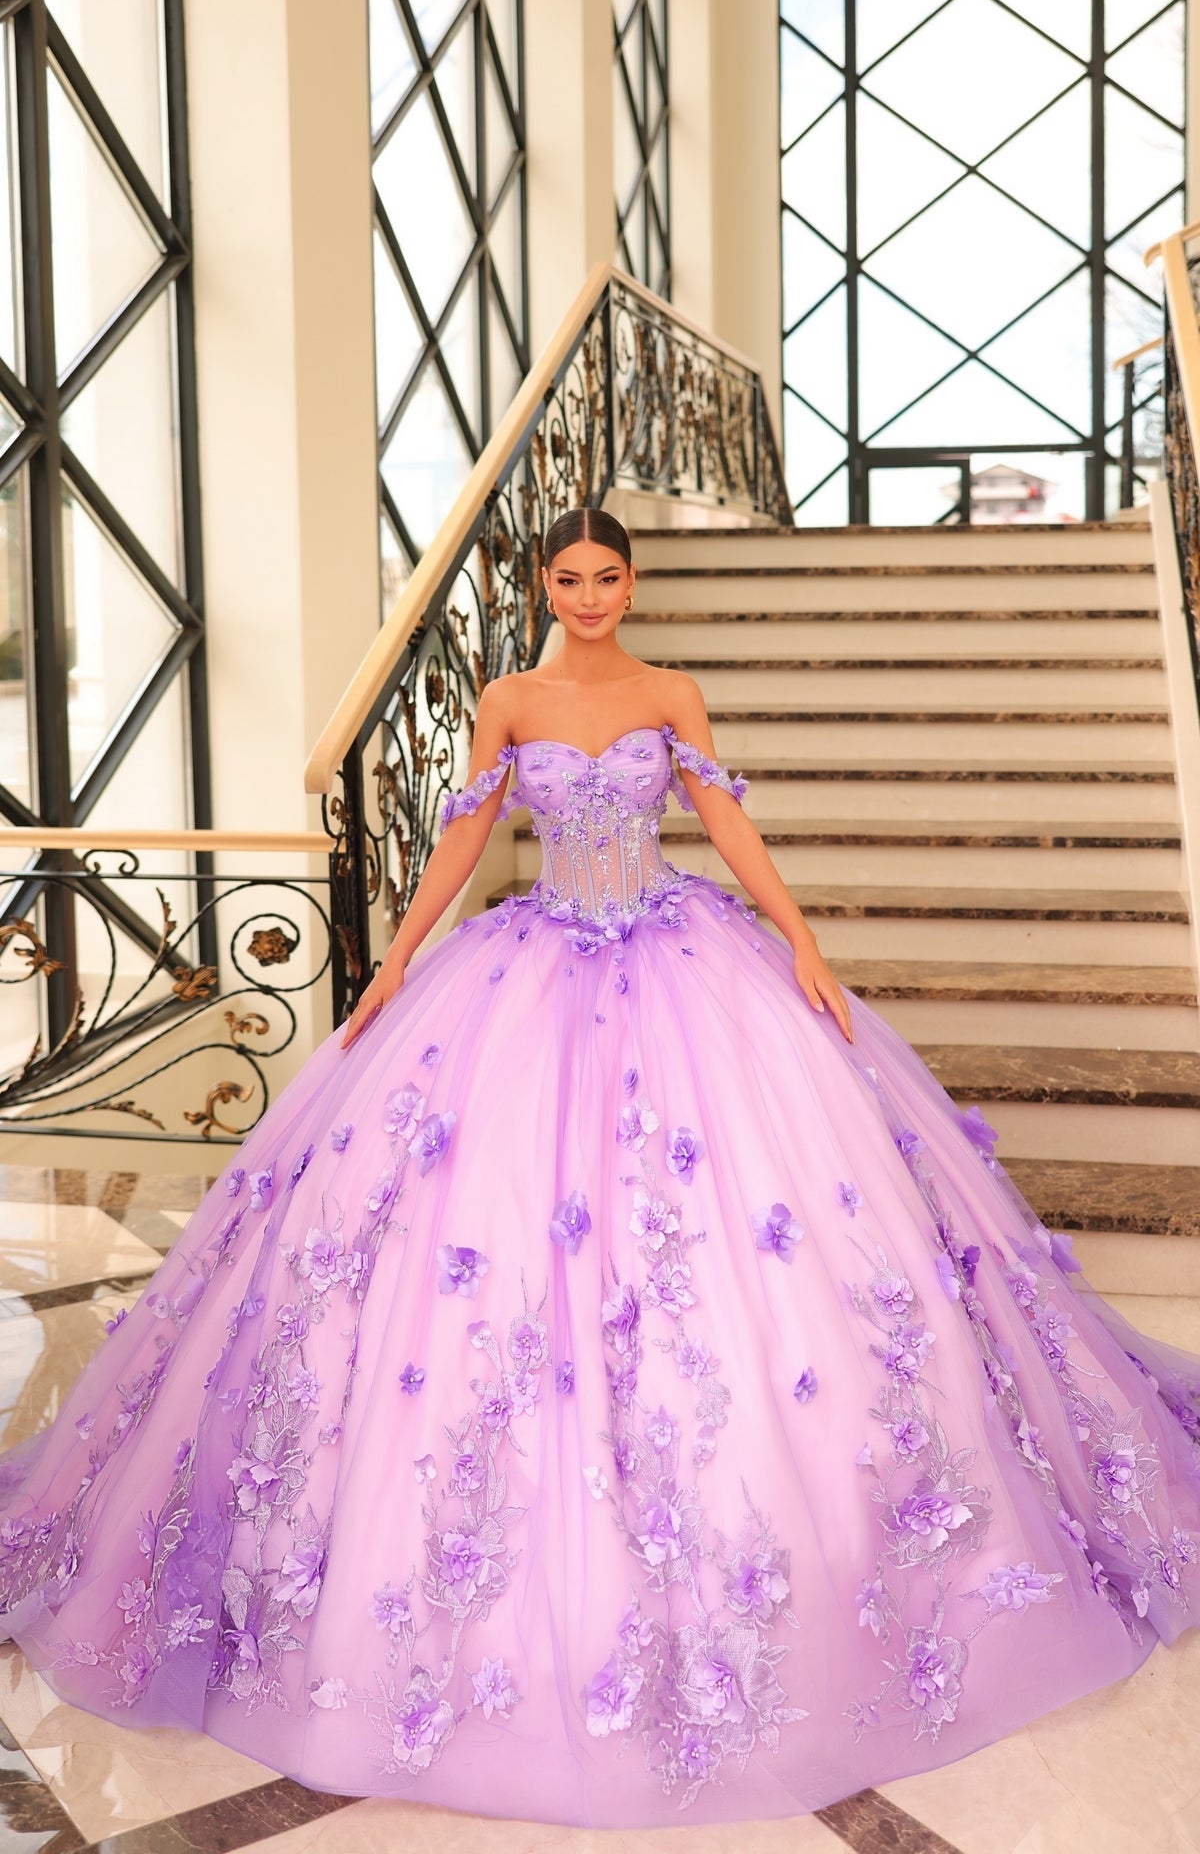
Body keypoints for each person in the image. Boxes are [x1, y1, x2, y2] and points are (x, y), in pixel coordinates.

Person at [0, 505, 1197, 1829]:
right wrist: (393, 968)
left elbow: (724, 824)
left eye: (607, 574)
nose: (587, 593)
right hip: (530, 975)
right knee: (486, 1241)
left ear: (632, 581)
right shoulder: (507, 699)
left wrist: (797, 936)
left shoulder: (673, 690)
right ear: (544, 584)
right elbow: (462, 836)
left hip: (683, 967)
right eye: (567, 576)